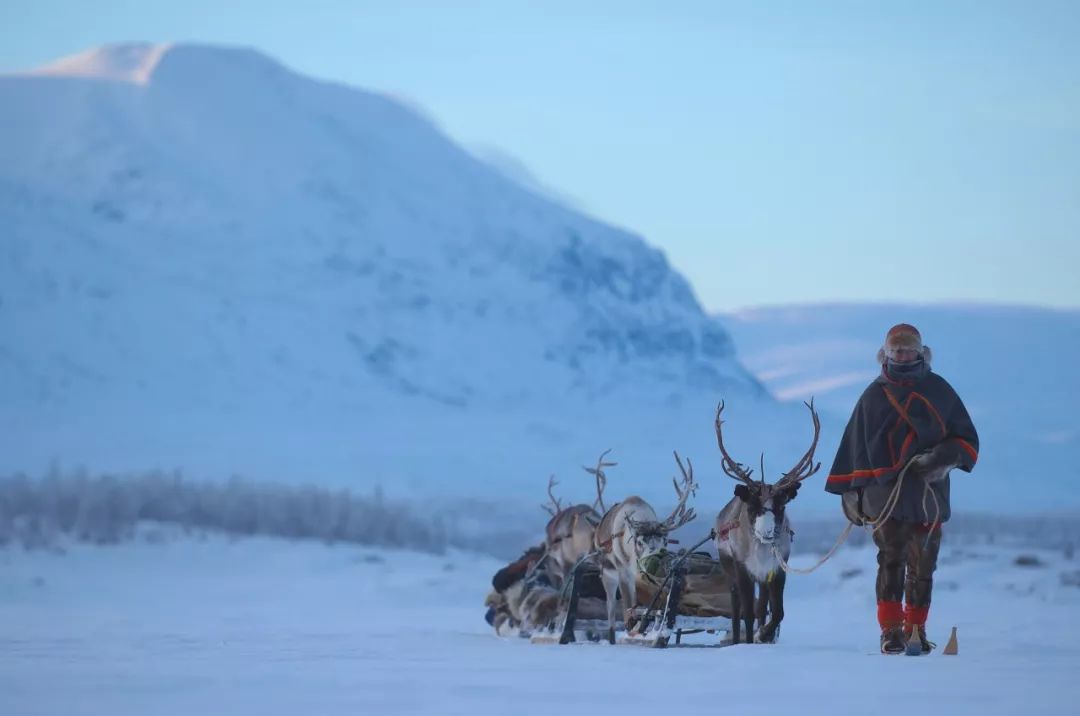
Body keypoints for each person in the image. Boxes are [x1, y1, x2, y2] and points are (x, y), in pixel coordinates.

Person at [825, 324, 979, 654]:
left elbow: (965, 439)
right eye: (896, 350)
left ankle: (916, 629)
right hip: (885, 493)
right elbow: (855, 448)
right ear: (886, 353)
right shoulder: (873, 395)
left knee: (924, 562)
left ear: (920, 352)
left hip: (927, 492)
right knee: (891, 558)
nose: (902, 355)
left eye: (908, 350)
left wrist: (940, 458)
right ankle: (891, 632)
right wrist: (855, 495)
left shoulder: (940, 391)